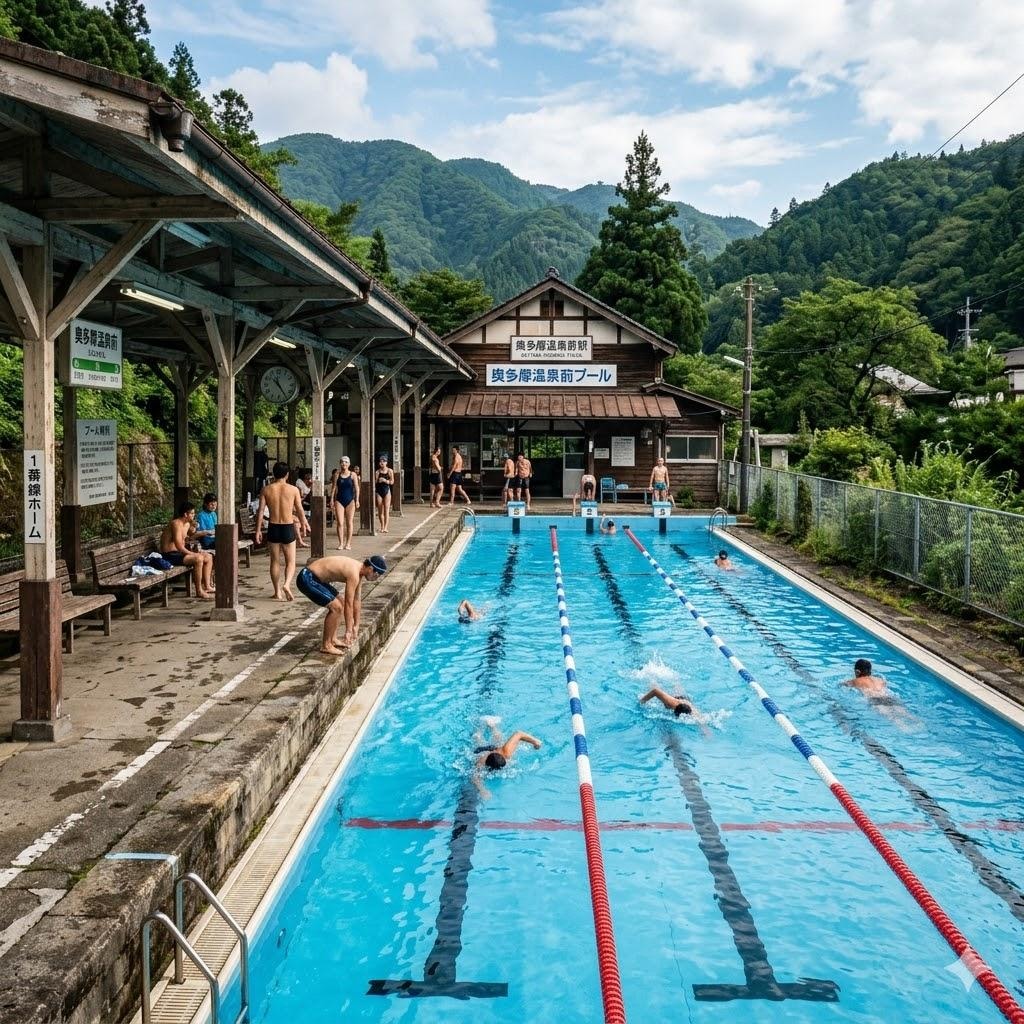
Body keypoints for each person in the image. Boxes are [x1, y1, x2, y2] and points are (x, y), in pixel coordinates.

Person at [296, 554, 387, 655]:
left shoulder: (359, 572)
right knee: (336, 608)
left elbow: (357, 600)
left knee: (341, 602)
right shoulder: (354, 573)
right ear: (370, 568)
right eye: (377, 575)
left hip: (316, 579)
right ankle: (326, 645)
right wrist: (348, 631)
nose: (376, 578)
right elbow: (349, 603)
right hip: (306, 578)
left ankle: (333, 639)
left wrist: (356, 626)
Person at [256, 462, 309, 601]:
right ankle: (287, 584)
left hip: (273, 526)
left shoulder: (266, 489)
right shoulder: (293, 490)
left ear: (274, 474)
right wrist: (304, 523)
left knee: (274, 561)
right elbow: (299, 509)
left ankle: (277, 592)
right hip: (287, 527)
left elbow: (260, 511)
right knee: (290, 561)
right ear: (287, 474)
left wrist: (258, 530)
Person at [472, 719, 542, 799]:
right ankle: (478, 731)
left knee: (500, 741)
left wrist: (535, 741)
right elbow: (475, 778)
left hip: (495, 749)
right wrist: (482, 791)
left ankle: (492, 725)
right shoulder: (480, 763)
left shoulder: (506, 753)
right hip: (481, 750)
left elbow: (518, 733)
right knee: (478, 740)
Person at [160, 502, 214, 598]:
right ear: (185, 514)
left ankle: (207, 586)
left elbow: (188, 539)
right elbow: (179, 546)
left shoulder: (187, 524)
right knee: (198, 559)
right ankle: (199, 591)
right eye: (192, 513)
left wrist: (194, 530)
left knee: (208, 557)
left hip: (179, 554)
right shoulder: (176, 524)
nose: (194, 515)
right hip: (170, 555)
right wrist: (193, 554)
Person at [843, 659, 913, 723]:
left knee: (894, 720)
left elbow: (842, 684)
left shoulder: (856, 681)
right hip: (889, 697)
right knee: (906, 714)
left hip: (875, 699)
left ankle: (905, 729)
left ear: (857, 672)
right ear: (870, 671)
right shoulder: (880, 680)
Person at [639, 687, 711, 737]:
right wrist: (642, 701)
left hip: (686, 701)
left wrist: (706, 733)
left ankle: (677, 685)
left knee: (681, 694)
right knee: (657, 687)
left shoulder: (693, 712)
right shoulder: (670, 703)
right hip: (678, 700)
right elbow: (655, 690)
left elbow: (701, 722)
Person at [331, 456, 359, 550]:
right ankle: (341, 543)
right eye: (342, 462)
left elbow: (357, 488)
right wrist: (331, 500)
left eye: (346, 462)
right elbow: (334, 488)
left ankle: (348, 543)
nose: (344, 463)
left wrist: (357, 500)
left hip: (350, 501)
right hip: (339, 500)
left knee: (349, 522)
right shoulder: (337, 474)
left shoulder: (353, 474)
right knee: (340, 522)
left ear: (349, 464)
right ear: (340, 463)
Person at [374, 454, 395, 533]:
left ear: (386, 462)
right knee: (380, 510)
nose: (382, 462)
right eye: (380, 461)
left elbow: (392, 482)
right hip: (379, 491)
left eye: (384, 461)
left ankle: (386, 527)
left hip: (387, 491)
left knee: (386, 509)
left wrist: (385, 481)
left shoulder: (390, 471)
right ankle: (382, 526)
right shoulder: (377, 472)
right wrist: (377, 480)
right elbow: (375, 482)